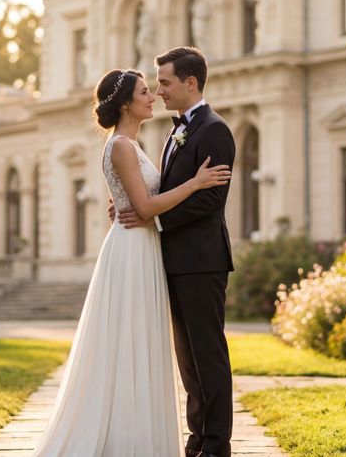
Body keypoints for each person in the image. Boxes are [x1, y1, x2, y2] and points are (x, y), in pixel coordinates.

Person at [31, 67, 231, 457]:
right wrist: (195, 182)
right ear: (125, 104)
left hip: (145, 246)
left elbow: (141, 200)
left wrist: (132, 204)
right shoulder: (123, 146)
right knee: (130, 341)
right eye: (144, 91)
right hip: (133, 249)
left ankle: (144, 432)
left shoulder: (133, 144)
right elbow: (145, 205)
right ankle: (125, 435)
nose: (153, 95)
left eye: (158, 86)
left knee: (140, 341)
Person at [117, 46, 237, 457]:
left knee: (209, 356)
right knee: (188, 361)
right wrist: (135, 205)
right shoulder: (176, 131)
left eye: (165, 83)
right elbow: (165, 191)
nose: (159, 91)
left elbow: (211, 200)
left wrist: (154, 219)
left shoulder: (215, 130)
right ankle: (197, 439)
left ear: (190, 82)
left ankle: (217, 445)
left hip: (202, 261)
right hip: (175, 261)